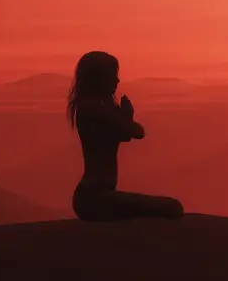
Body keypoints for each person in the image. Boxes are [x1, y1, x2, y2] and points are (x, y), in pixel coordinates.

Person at [67, 51, 184, 221]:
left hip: (96, 196)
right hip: (94, 198)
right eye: (113, 75)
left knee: (169, 208)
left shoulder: (92, 108)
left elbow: (126, 134)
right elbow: (135, 132)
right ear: (100, 78)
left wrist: (123, 117)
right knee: (171, 208)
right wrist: (126, 116)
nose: (117, 80)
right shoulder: (93, 109)